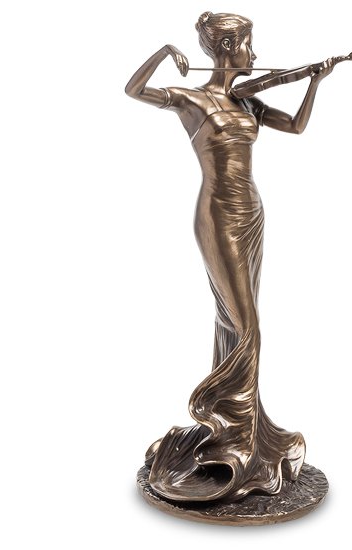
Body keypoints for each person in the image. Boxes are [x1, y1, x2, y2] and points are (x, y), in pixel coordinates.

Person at [125, 11, 334, 502]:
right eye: (248, 46)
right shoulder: (193, 100)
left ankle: (242, 435)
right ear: (226, 47)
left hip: (252, 213)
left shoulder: (248, 101)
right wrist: (165, 51)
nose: (254, 55)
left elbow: (297, 126)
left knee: (232, 322)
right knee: (247, 329)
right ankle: (233, 440)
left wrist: (314, 82)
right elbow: (134, 90)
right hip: (217, 214)